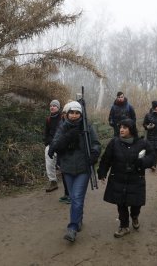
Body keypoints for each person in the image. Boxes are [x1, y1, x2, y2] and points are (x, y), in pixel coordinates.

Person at [48, 101, 101, 242]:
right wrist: (59, 144)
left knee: (77, 198)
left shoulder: (87, 127)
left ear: (81, 114)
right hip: (67, 168)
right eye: (71, 112)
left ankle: (72, 228)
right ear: (67, 113)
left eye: (77, 113)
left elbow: (96, 143)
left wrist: (94, 154)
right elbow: (56, 142)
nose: (74, 115)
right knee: (74, 198)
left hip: (83, 168)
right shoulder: (62, 127)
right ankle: (78, 220)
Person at [97, 119, 155, 238]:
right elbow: (106, 158)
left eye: (125, 127)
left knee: (136, 203)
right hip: (118, 178)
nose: (121, 129)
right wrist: (102, 172)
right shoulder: (114, 142)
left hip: (136, 179)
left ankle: (134, 216)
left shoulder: (142, 143)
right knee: (121, 204)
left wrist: (142, 162)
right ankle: (124, 226)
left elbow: (152, 156)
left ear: (131, 129)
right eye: (121, 127)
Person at [57, 101, 73, 204]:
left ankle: (71, 195)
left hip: (71, 155)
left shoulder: (75, 124)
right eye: (64, 113)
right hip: (62, 155)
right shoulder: (61, 123)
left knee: (70, 175)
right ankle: (67, 194)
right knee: (64, 174)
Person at [43, 99, 61, 193]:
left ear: (58, 108)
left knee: (62, 164)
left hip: (61, 145)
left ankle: (69, 184)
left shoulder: (63, 117)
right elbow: (46, 132)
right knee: (49, 164)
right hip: (50, 144)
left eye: (54, 106)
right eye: (51, 106)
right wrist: (47, 142)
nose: (52, 107)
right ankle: (53, 182)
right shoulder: (48, 119)